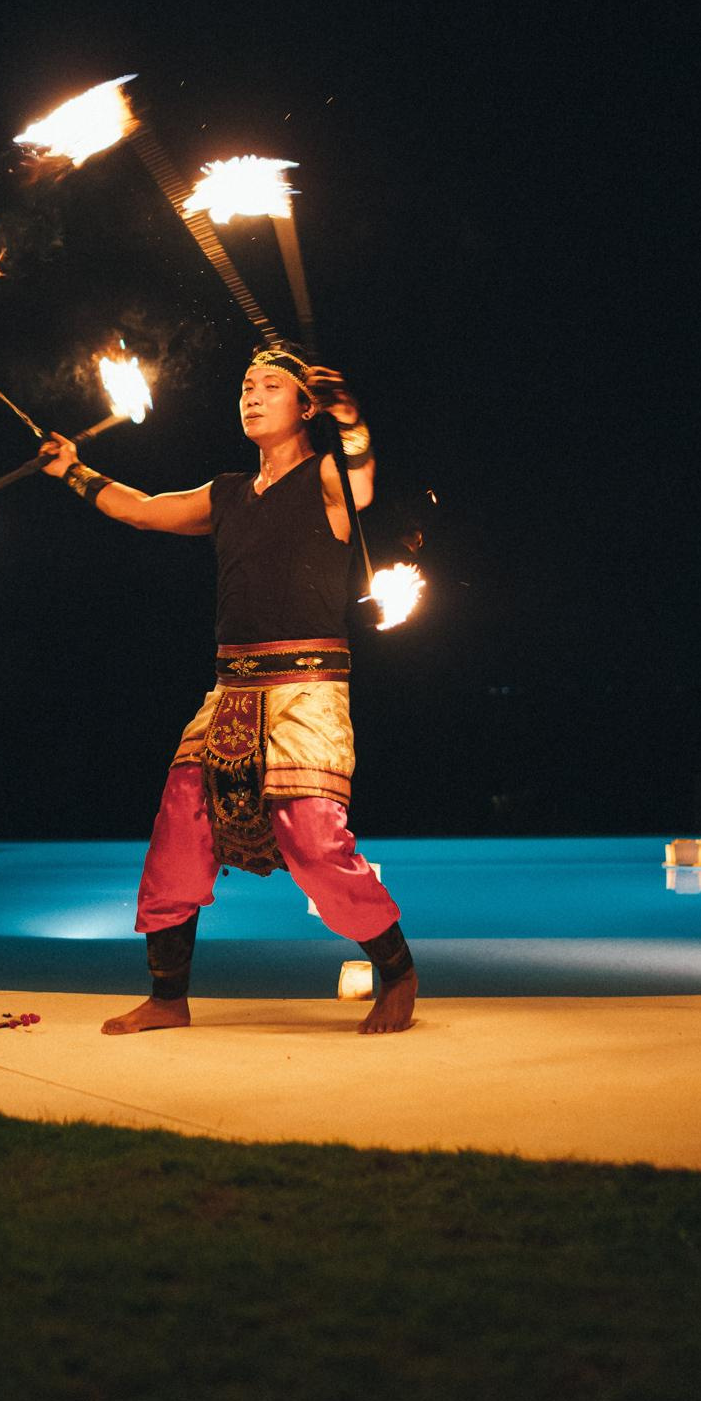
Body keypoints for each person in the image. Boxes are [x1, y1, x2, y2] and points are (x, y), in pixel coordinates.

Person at [37, 345, 417, 1036]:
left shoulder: (327, 480)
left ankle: (397, 974)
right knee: (179, 827)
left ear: (305, 408)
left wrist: (352, 417)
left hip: (308, 689)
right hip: (230, 690)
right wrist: (73, 472)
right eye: (246, 385)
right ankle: (167, 997)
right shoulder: (227, 492)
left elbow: (361, 482)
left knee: (313, 838)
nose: (252, 395)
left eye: (271, 386)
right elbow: (145, 511)